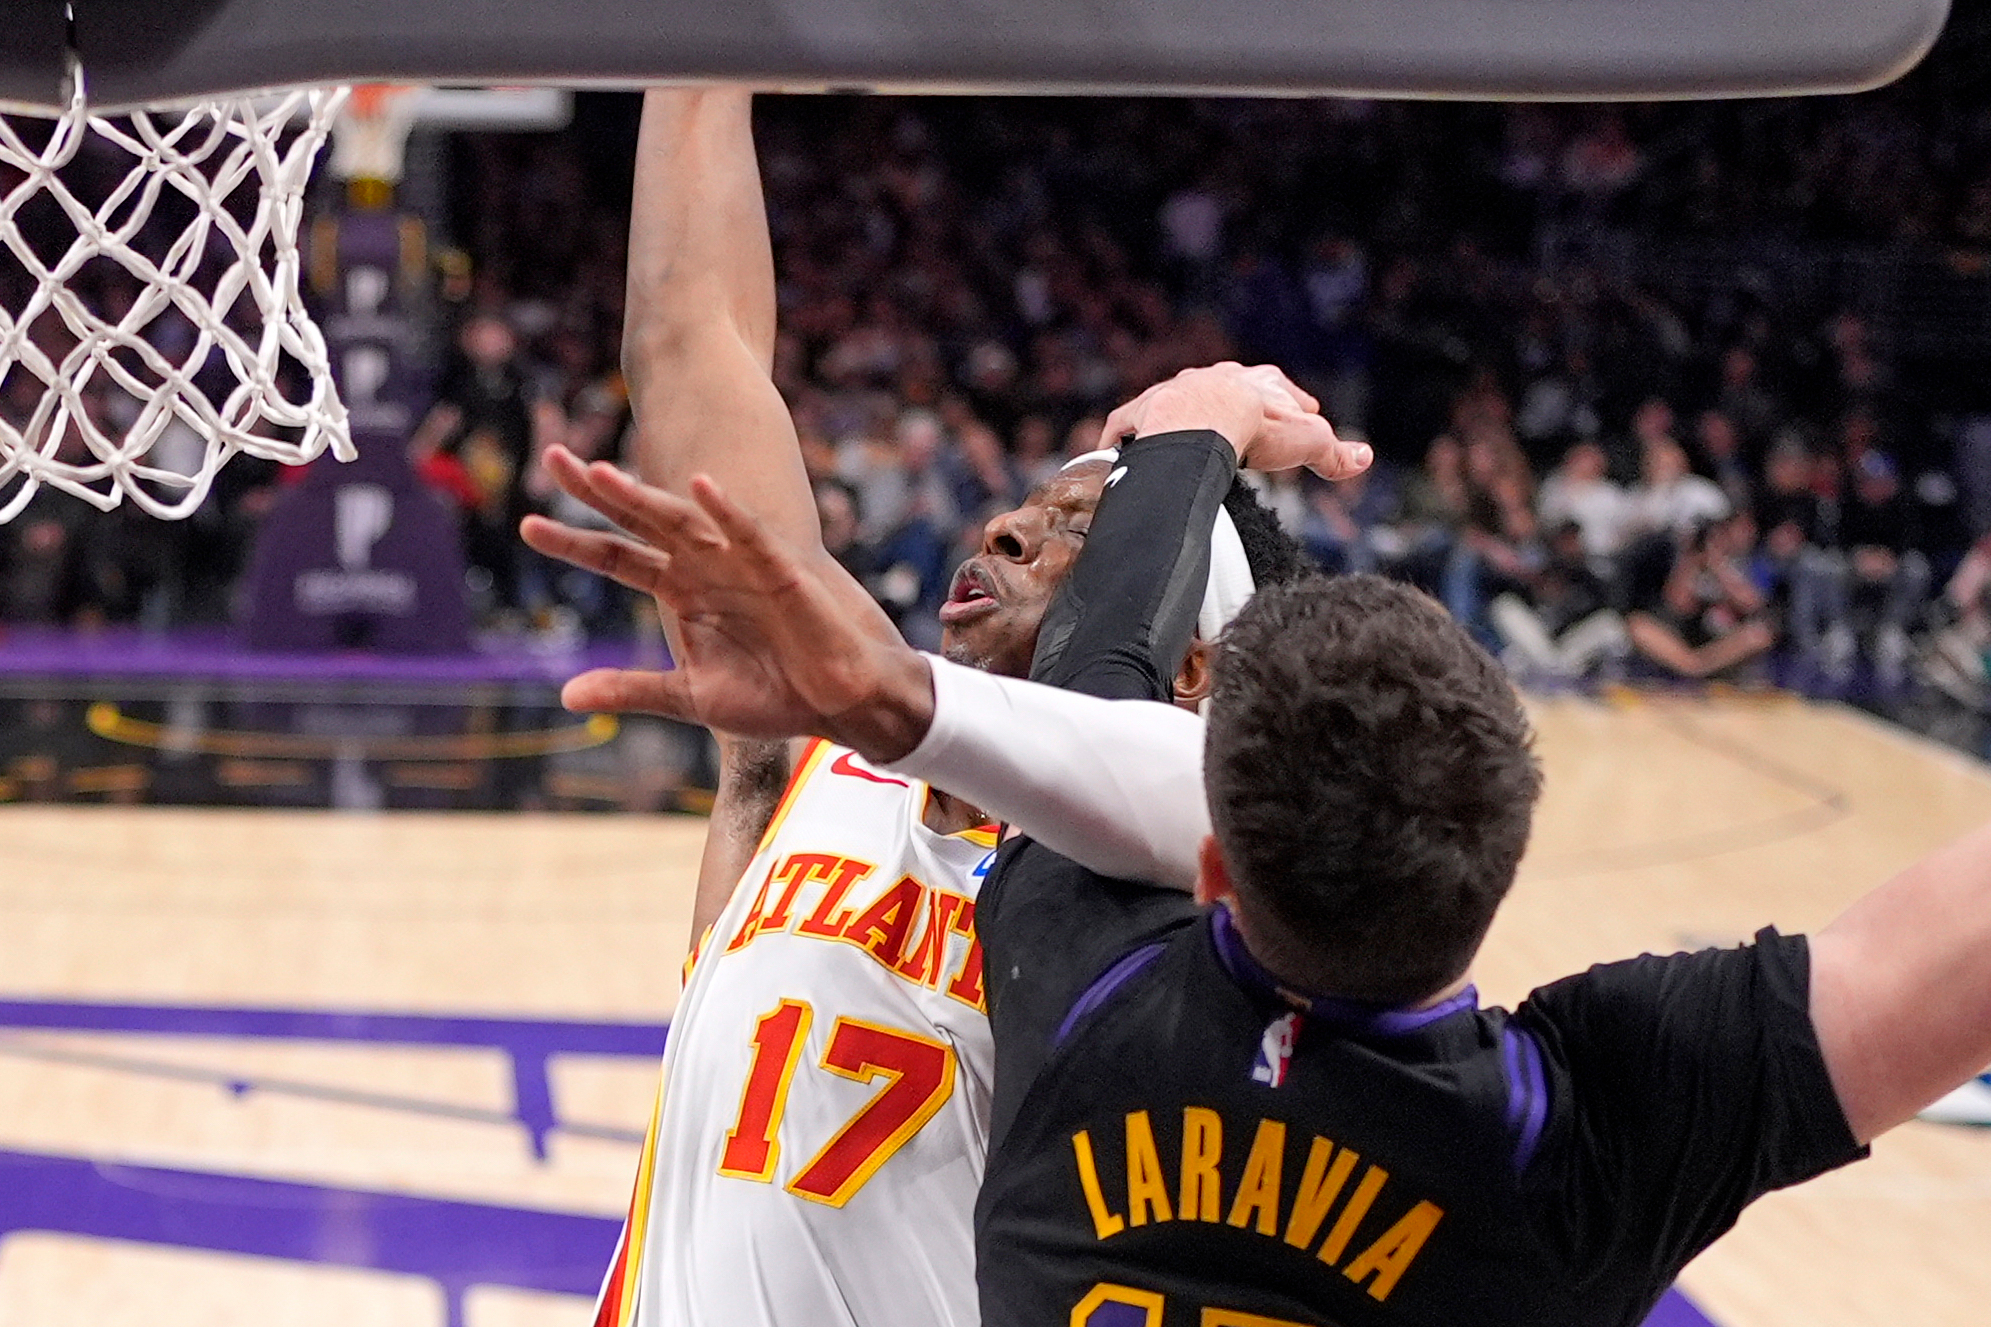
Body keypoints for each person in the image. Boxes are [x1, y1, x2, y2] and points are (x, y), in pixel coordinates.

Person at [548, 422, 1991, 1327]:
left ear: (1211, 864)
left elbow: (1088, 715)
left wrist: (1189, 430)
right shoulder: (1574, 1130)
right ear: (1502, 853)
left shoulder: (1077, 981)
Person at [533, 86, 1370, 1327]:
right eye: (1026, 505)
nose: (1005, 527)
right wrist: (695, 58)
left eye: (1076, 531)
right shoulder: (810, 763)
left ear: (1189, 663)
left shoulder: (1157, 911)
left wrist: (1198, 433)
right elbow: (689, 340)